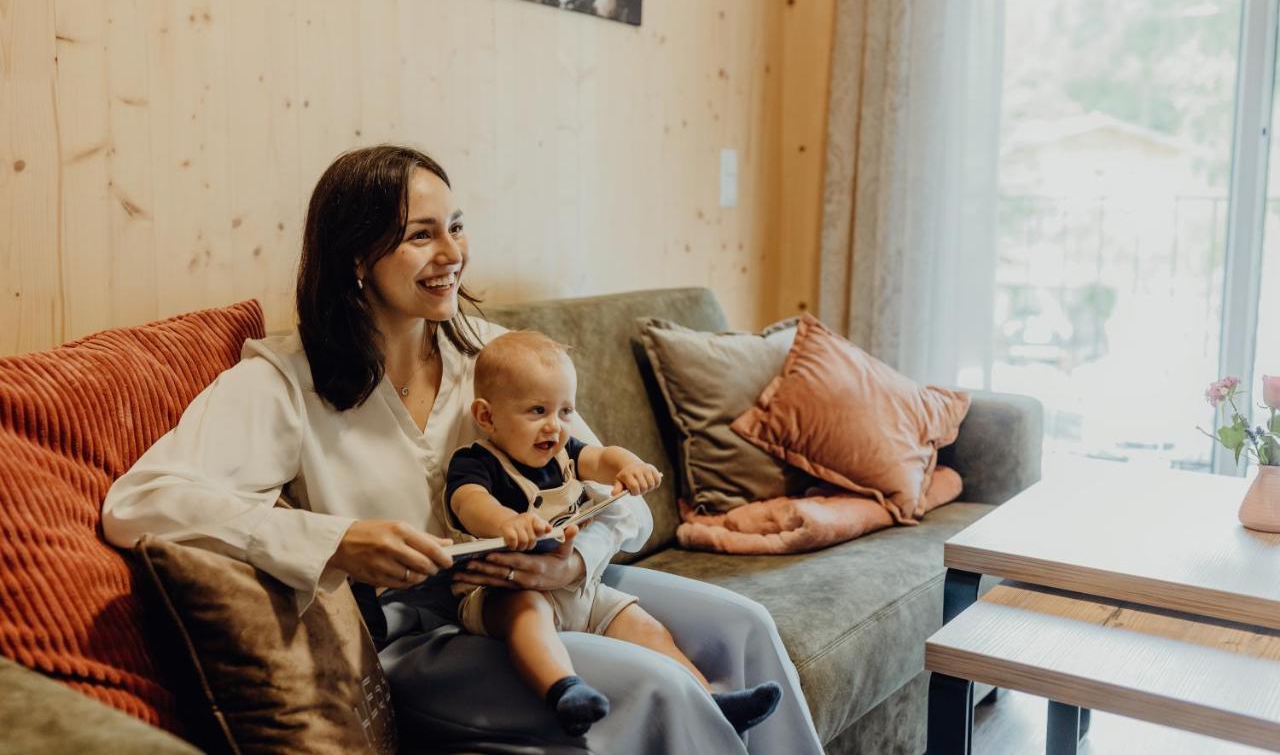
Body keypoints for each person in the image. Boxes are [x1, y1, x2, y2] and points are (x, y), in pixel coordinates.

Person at [102, 144, 823, 753]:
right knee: (659, 686)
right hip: (418, 640)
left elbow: (620, 504)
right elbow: (140, 503)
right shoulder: (283, 383)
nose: (454, 254)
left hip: (553, 589)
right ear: (357, 256)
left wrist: (577, 559)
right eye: (422, 235)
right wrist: (337, 540)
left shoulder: (490, 355)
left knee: (744, 625)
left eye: (457, 226)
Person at [443, 330, 782, 737]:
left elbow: (602, 457)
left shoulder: (564, 452)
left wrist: (628, 465)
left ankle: (711, 699)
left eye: (565, 411)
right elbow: (468, 502)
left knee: (644, 625)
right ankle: (564, 690)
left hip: (576, 586)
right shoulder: (477, 461)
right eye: (537, 411)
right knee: (528, 616)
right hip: (499, 591)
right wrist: (504, 522)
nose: (555, 426)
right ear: (486, 417)